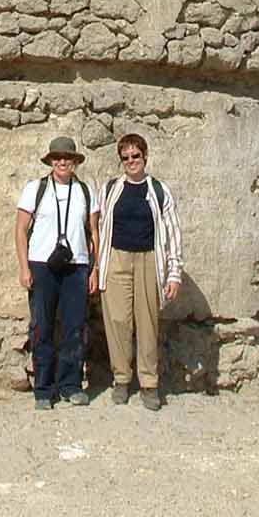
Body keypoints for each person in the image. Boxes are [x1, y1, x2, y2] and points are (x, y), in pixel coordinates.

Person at [96, 133, 183, 411]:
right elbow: (98, 226)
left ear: (145, 157)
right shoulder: (110, 189)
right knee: (118, 321)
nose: (131, 161)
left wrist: (174, 272)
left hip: (148, 259)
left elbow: (172, 231)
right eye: (126, 157)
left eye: (136, 156)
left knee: (148, 323)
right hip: (117, 259)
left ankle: (149, 383)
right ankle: (121, 379)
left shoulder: (159, 190)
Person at [15, 135, 99, 410]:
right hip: (41, 263)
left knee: (74, 327)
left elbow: (93, 232)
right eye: (57, 157)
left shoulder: (86, 191)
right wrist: (24, 267)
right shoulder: (35, 189)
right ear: (51, 161)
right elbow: (20, 230)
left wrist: (94, 269)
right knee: (42, 326)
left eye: (68, 158)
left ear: (75, 162)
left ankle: (70, 384)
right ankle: (43, 388)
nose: (62, 162)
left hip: (76, 266)